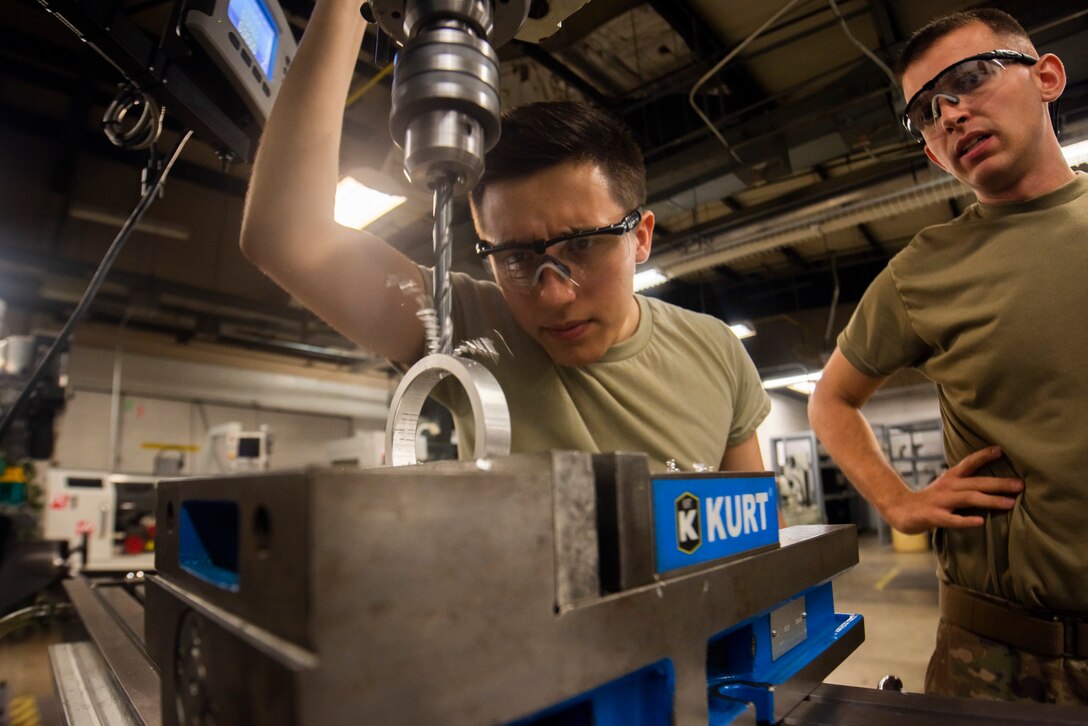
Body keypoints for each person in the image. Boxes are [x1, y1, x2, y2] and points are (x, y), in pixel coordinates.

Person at [239, 0, 771, 475]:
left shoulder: (717, 352)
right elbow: (286, 235)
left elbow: (759, 537)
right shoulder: (470, 330)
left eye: (583, 244)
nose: (553, 294)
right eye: (516, 256)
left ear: (641, 237)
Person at [809, 8, 1088, 704]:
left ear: (1047, 77)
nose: (953, 113)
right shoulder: (923, 272)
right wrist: (898, 503)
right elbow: (831, 399)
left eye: (972, 78)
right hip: (1000, 657)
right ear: (934, 154)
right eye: (928, 112)